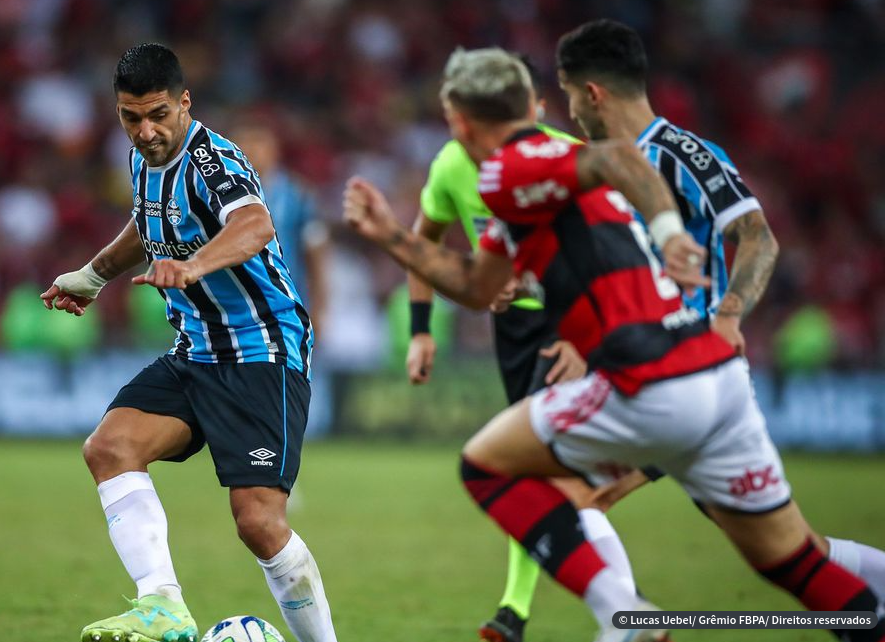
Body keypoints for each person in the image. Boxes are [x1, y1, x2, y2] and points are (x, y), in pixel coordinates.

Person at [343, 47, 885, 642]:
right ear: (532, 103)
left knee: (486, 466)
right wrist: (392, 235)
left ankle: (624, 616)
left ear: (459, 123)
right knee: (795, 561)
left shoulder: (511, 168)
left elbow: (621, 161)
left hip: (646, 381)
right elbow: (479, 286)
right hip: (717, 374)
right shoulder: (531, 175)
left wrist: (669, 230)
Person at [556, 17, 885, 605]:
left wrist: (729, 313)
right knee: (790, 553)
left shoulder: (682, 153)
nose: (569, 109)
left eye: (568, 93)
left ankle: (629, 624)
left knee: (572, 496)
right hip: (653, 376)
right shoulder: (598, 166)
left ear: (592, 91)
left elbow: (758, 237)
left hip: (689, 375)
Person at [41, 44, 338, 642]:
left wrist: (194, 266)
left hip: (262, 351)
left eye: (157, 114)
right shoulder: (141, 160)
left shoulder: (214, 160)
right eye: (130, 117)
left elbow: (255, 225)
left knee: (257, 521)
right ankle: (163, 606)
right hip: (196, 350)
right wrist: (95, 274)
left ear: (184, 102)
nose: (146, 131)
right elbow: (148, 224)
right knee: (110, 448)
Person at [407, 56, 644, 642]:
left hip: (574, 326)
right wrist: (421, 327)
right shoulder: (451, 169)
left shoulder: (563, 157)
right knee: (549, 477)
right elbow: (424, 244)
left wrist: (581, 337)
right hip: (514, 331)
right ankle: (621, 616)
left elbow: (609, 247)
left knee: (541, 475)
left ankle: (527, 612)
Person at [231, 121, 329, 331]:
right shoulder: (220, 193)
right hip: (236, 306)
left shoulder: (298, 195)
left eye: (258, 143)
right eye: (244, 143)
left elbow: (316, 254)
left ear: (274, 150)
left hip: (286, 305)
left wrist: (319, 308)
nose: (251, 150)